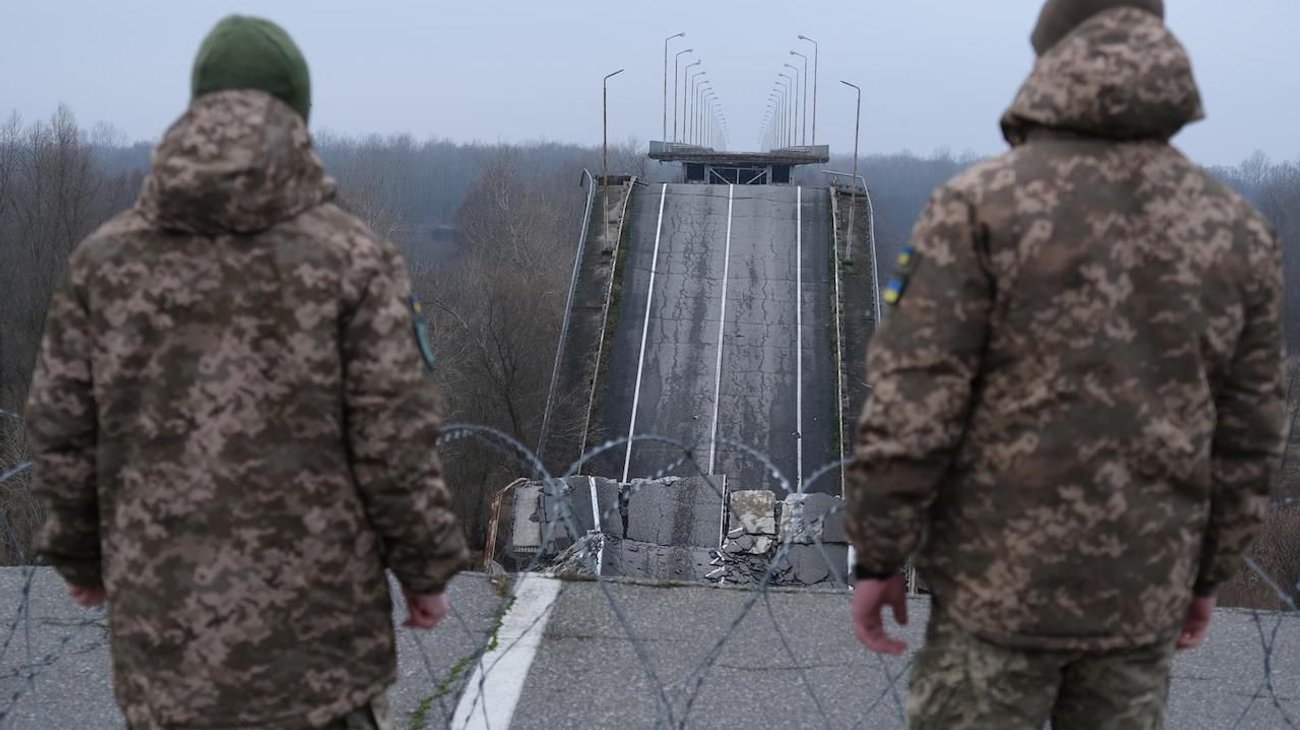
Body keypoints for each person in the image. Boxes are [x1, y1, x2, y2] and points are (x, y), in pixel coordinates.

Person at [844, 1, 1285, 728]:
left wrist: (879, 555)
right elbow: (1249, 431)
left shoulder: (978, 206)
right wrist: (1207, 572)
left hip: (994, 595)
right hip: (1139, 594)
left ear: (1050, 59)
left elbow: (914, 403)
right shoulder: (1233, 230)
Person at [25, 15, 468, 730]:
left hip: (166, 649)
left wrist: (80, 556)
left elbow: (62, 432)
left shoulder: (105, 264)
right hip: (319, 660)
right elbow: (395, 440)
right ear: (297, 114)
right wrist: (424, 571)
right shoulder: (350, 258)